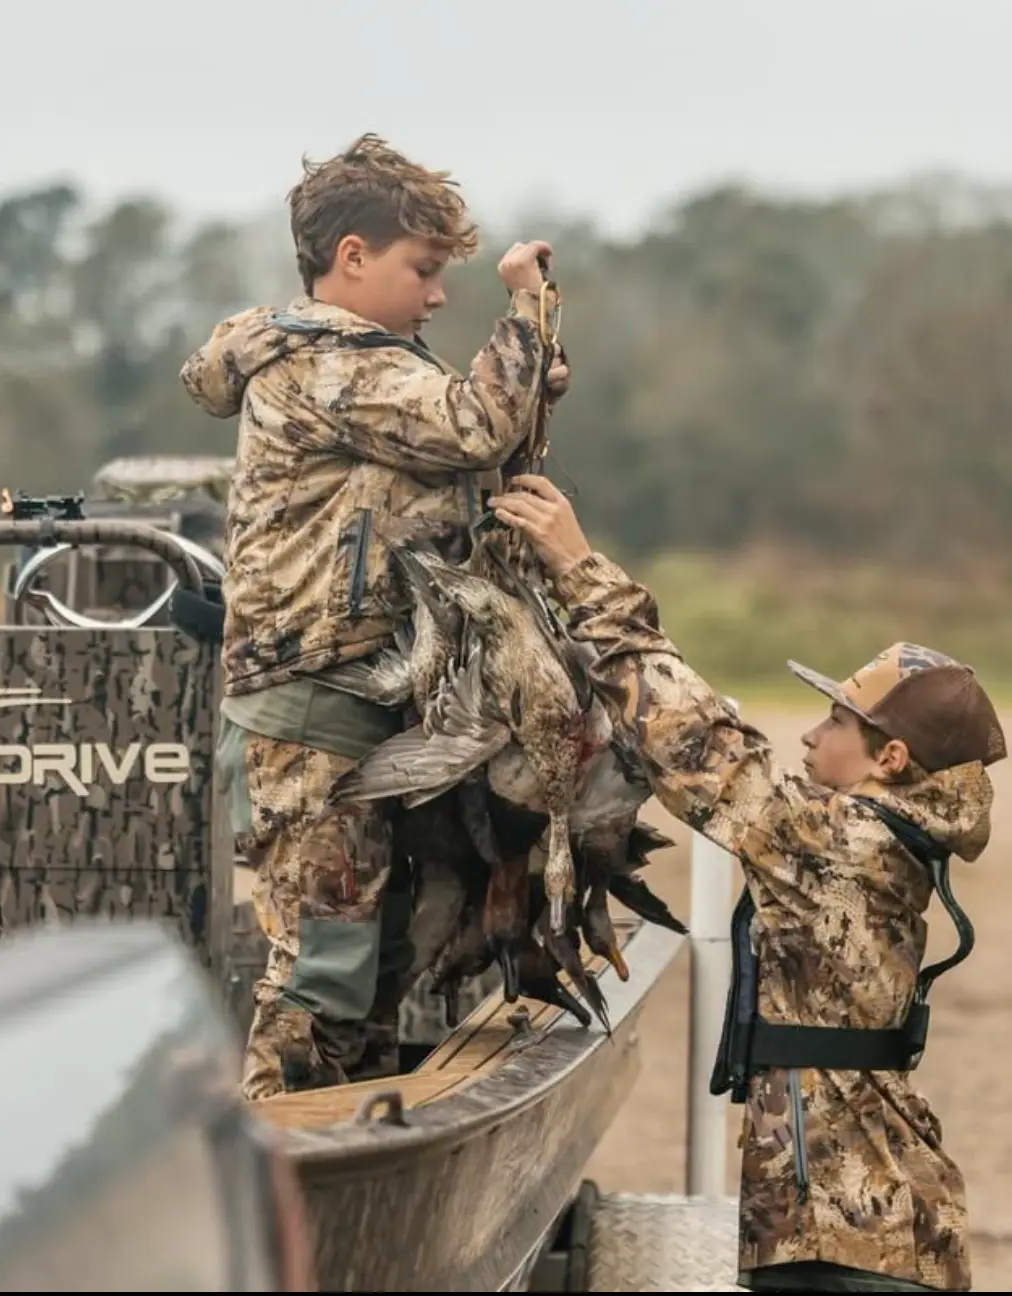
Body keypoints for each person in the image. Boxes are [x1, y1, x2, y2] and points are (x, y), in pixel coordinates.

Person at [489, 473, 1005, 1293]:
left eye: (837, 721)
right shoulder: (870, 837)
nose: (811, 736)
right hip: (851, 1232)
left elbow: (698, 744)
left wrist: (581, 570)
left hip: (849, 1244)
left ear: (891, 759)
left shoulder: (839, 841)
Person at [179, 134, 570, 1102]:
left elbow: (471, 440)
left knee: (375, 963)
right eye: (422, 270)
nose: (435, 295)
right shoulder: (328, 365)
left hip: (359, 702)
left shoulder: (367, 365)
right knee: (323, 969)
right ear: (351, 256)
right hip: (311, 706)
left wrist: (529, 373)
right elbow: (472, 425)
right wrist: (524, 310)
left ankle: (349, 1144)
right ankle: (282, 1148)